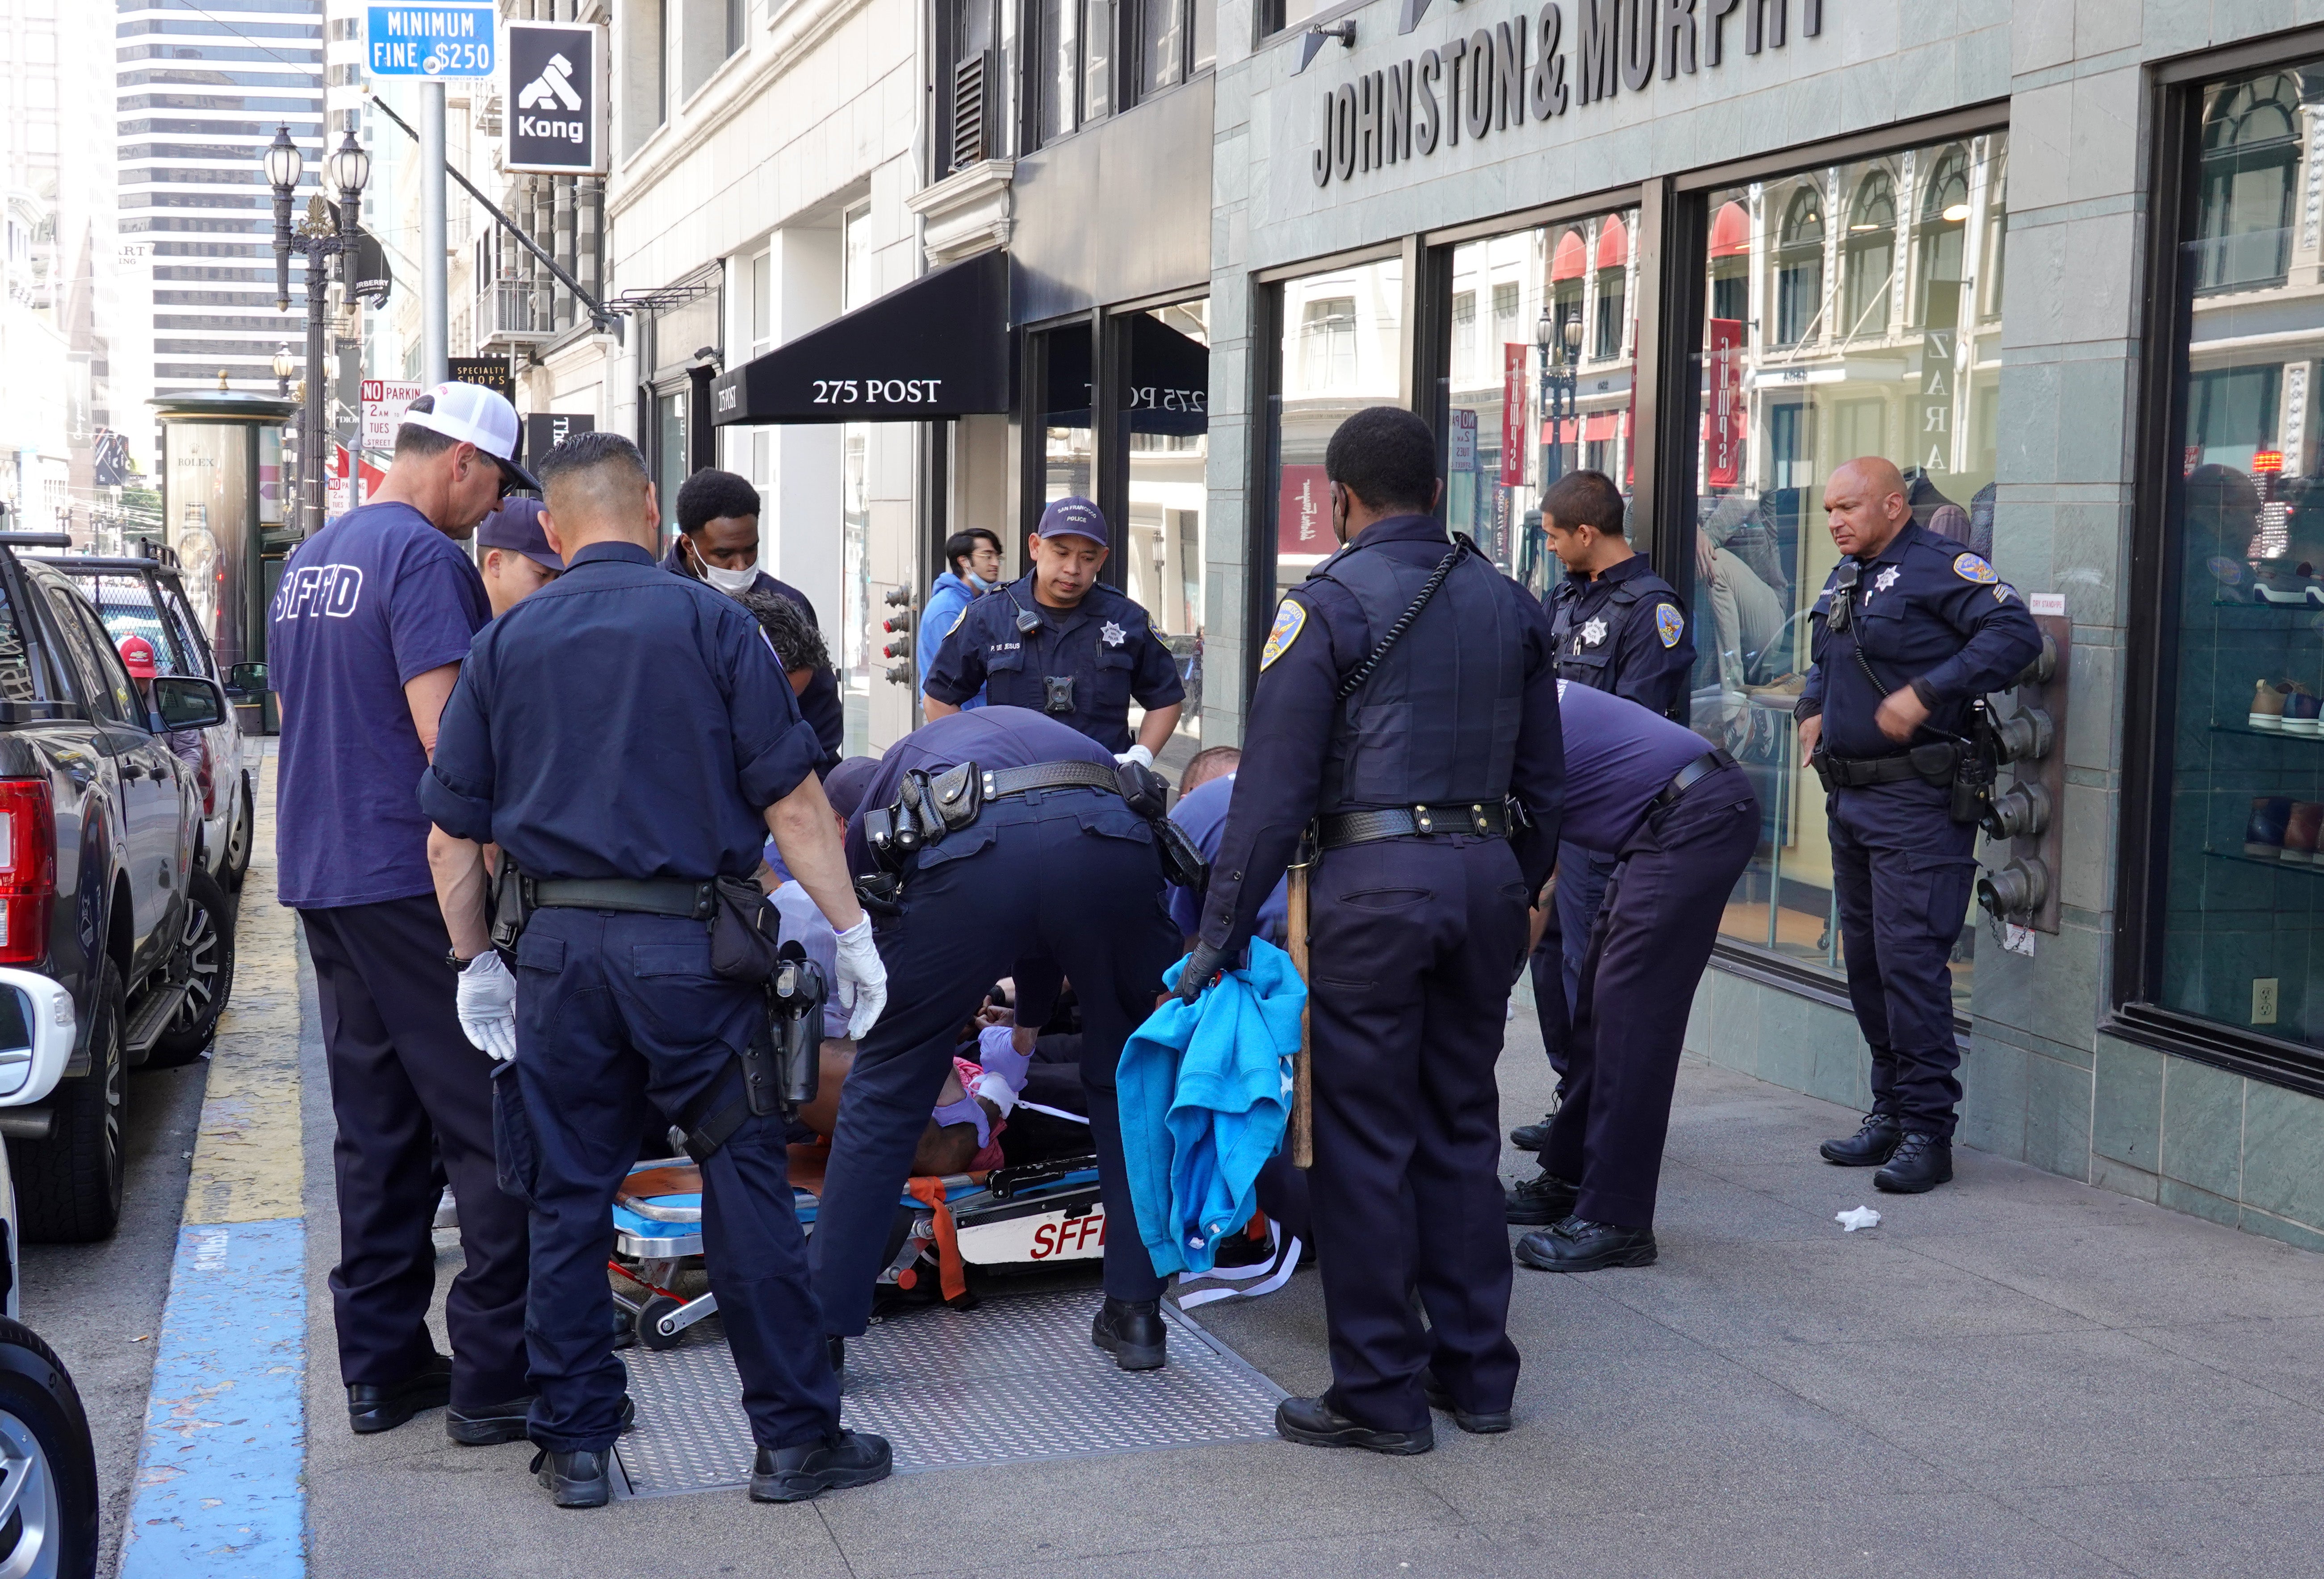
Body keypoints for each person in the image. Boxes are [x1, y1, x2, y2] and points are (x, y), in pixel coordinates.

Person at [418, 431, 894, 1510]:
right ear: (647, 512)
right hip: (695, 955)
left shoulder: (504, 644)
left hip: (555, 961)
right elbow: (796, 804)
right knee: (744, 1179)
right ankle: (791, 1441)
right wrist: (853, 931)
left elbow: (452, 839)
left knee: (567, 1195)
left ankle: (578, 1448)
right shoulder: (718, 629)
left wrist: (473, 963)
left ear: (551, 527)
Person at [1182, 406, 1563, 1454]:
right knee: (1460, 1126)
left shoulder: (1325, 606)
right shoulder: (1511, 601)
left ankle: (1381, 1394)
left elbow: (1269, 793)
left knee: (1361, 1144)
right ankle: (1479, 1375)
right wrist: (1509, 887)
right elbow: (1546, 783)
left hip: (1370, 891)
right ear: (1437, 492)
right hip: (1483, 881)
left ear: (1339, 501)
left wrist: (1215, 938)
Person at [267, 381, 535, 1445]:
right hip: (409, 877)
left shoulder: (310, 560)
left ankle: (380, 1367)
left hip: (325, 872)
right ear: (461, 463)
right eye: (496, 486)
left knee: (376, 1132)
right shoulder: (425, 559)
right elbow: (446, 742)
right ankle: (493, 1378)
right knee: (488, 1121)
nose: (492, 512)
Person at [808, 704, 1183, 1375]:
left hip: (971, 857)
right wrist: (1026, 1028)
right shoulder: (1051, 739)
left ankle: (822, 1333)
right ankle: (1136, 1313)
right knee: (1127, 1075)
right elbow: (1042, 903)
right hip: (1111, 844)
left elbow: (876, 916)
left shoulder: (891, 782)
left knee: (889, 1086)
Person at [1796, 457, 2041, 1193]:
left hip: (1915, 801)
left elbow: (2014, 637)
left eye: (1848, 507)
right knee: (1867, 964)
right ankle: (1889, 1111)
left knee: (1909, 964)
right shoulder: (1845, 574)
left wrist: (1925, 692)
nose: (1835, 521)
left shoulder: (1941, 566)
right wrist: (1809, 709)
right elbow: (1830, 656)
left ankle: (1928, 1133)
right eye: (1829, 510)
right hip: (1850, 797)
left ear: (1894, 506)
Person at [1505, 682, 1758, 1270]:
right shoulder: (1506, 690)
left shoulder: (1496, 711)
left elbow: (1523, 875)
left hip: (1692, 813)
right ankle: (1570, 1179)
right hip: (1656, 823)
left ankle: (1616, 1218)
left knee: (1630, 1020)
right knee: (1596, 1007)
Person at [1509, 469, 1694, 1185]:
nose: (1549, 546)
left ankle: (1595, 1116)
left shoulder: (1651, 610)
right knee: (1549, 963)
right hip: (1551, 807)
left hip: (1603, 814)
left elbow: (1635, 724)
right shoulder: (1561, 598)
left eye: (1554, 535)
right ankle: (1569, 1093)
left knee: (1591, 967)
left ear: (1586, 532)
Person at [921, 496, 1184, 767]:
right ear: (1035, 547)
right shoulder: (987, 617)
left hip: (1102, 790)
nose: (1072, 569)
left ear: (1102, 559)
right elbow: (938, 699)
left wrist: (1140, 756)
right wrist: (976, 759)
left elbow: (1166, 699)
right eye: (1061, 553)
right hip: (1014, 791)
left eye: (1087, 558)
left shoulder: (1128, 620)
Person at [665, 467, 843, 769]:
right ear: (688, 546)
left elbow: (821, 716)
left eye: (751, 550)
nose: (740, 567)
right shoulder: (657, 603)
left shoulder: (790, 603)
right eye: (724, 555)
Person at [919, 528, 1002, 706]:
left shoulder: (981, 601)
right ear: (964, 561)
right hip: (960, 718)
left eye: (998, 557)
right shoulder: (947, 609)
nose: (995, 563)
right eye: (987, 556)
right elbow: (951, 676)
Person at [475, 495, 565, 616]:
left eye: (558, 577)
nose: (553, 588)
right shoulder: (454, 622)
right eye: (542, 575)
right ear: (496, 563)